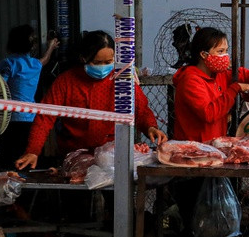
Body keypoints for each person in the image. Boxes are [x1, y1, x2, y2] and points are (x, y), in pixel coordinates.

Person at [172, 27, 249, 237]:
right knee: (197, 223)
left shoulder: (223, 73)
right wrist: (235, 89)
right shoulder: (190, 79)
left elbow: (247, 75)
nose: (225, 56)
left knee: (212, 221)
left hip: (214, 158)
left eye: (226, 50)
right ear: (204, 54)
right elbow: (209, 113)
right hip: (191, 161)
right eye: (220, 51)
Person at [16, 31, 166, 170]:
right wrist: (33, 150)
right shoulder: (66, 82)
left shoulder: (122, 81)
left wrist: (150, 127)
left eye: (108, 62)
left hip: (113, 155)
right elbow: (45, 117)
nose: (103, 67)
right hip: (74, 155)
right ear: (83, 58)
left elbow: (141, 109)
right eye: (97, 62)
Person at [0, 25, 59, 169]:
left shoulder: (8, 63)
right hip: (30, 118)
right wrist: (51, 46)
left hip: (9, 118)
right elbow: (45, 60)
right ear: (32, 46)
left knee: (9, 158)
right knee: (26, 156)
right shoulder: (35, 64)